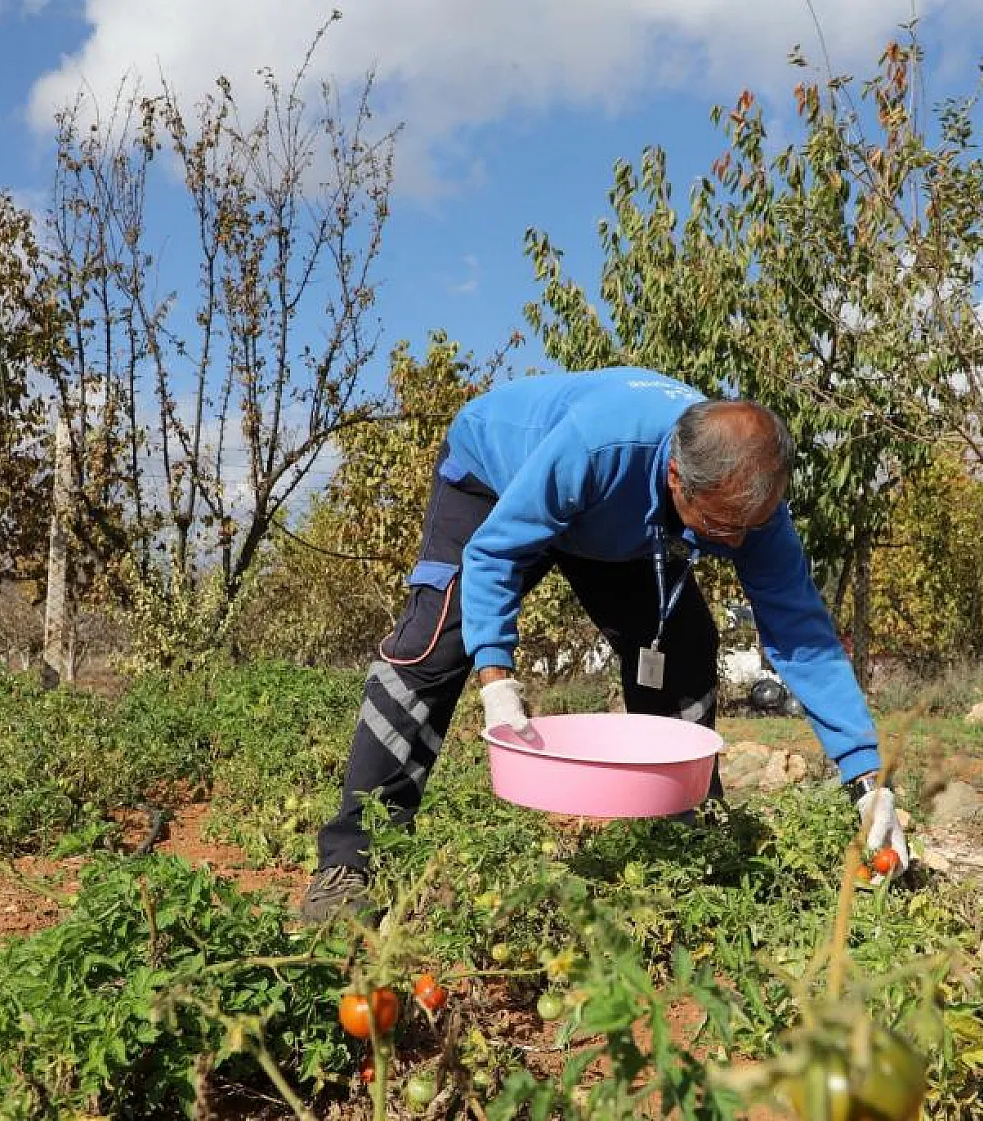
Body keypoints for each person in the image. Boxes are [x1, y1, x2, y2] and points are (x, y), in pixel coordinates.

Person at [297, 366, 909, 922]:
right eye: (721, 529)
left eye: (748, 529)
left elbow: (803, 637)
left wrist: (867, 780)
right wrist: (496, 676)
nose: (737, 543)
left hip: (614, 522)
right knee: (431, 648)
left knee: (683, 648)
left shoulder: (749, 508)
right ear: (677, 478)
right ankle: (349, 861)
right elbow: (494, 554)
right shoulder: (600, 446)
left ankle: (685, 832)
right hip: (495, 474)